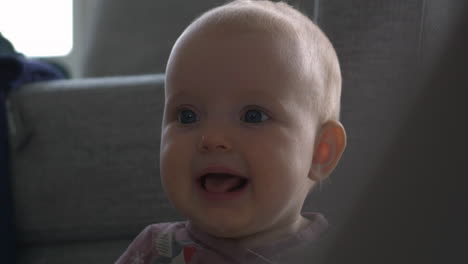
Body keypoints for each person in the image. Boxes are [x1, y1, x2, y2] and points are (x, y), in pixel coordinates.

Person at [115, 0, 346, 263]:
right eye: (187, 116)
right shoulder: (157, 249)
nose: (212, 139)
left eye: (253, 116)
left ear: (320, 151)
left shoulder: (340, 249)